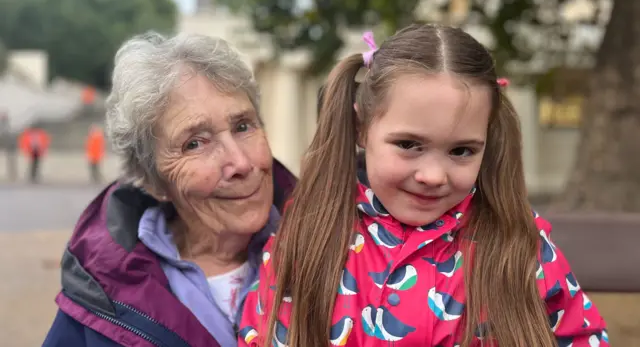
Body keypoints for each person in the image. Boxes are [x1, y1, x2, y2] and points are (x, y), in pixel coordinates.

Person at [239, 25, 608, 347]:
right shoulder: (309, 238)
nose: (433, 175)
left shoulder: (519, 245)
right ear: (361, 129)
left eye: (461, 150)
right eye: (409, 145)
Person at [41, 31, 297, 347]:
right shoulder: (100, 296)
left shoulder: (345, 247)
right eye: (195, 143)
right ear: (153, 180)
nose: (240, 163)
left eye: (243, 126)